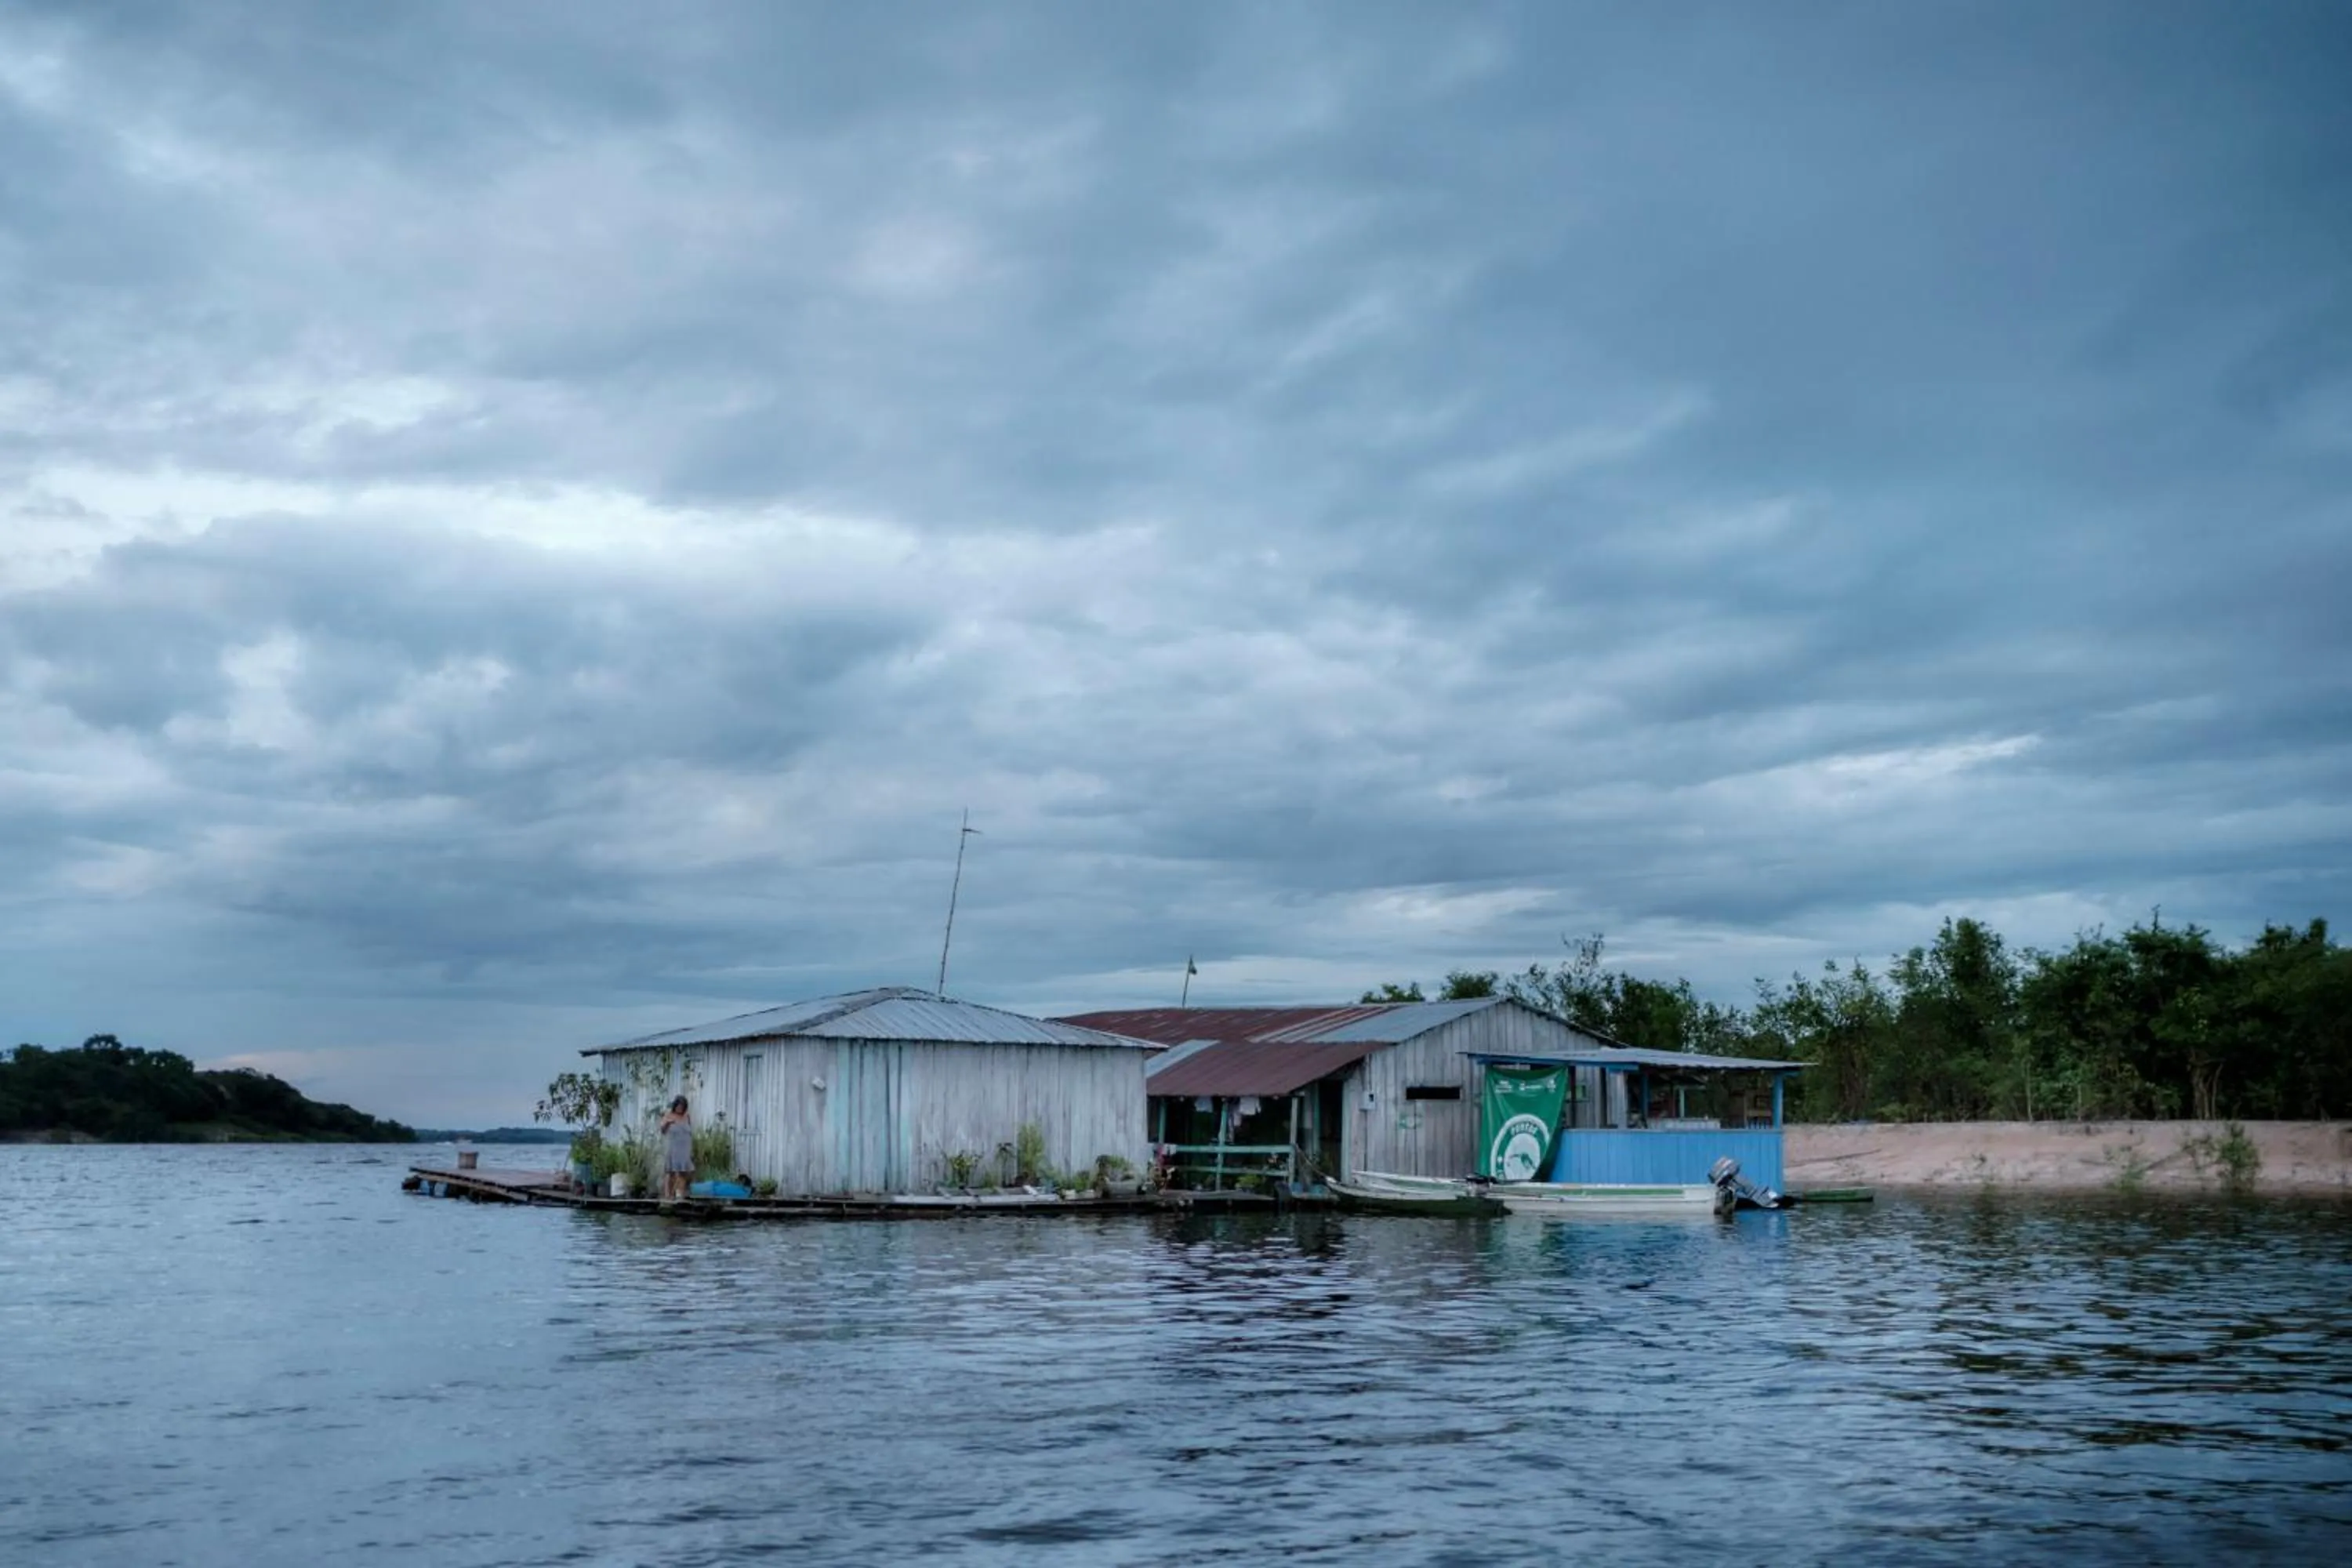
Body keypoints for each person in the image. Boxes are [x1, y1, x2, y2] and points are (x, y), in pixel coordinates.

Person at [659, 1095, 694, 1201]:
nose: (680, 1108)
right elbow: (663, 1131)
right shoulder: (669, 1115)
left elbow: (689, 1131)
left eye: (682, 1106)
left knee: (683, 1172)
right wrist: (668, 1123)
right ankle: (668, 1195)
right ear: (675, 1106)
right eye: (678, 1106)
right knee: (670, 1171)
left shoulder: (687, 1117)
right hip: (673, 1147)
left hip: (685, 1148)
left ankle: (679, 1194)